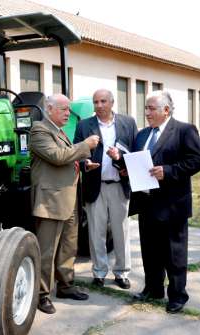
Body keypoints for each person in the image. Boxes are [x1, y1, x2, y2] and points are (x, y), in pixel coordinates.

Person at [129, 90, 200, 313]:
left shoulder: (183, 130)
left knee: (174, 253)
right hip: (147, 202)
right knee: (150, 251)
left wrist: (169, 171)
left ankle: (177, 295)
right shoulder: (142, 135)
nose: (147, 112)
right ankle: (153, 288)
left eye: (151, 108)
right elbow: (137, 162)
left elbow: (197, 161)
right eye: (146, 108)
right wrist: (121, 165)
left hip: (173, 204)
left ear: (166, 110)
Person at [29, 93, 100, 314]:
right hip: (51, 200)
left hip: (68, 198)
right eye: (63, 109)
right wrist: (85, 145)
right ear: (49, 109)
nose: (68, 114)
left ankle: (66, 285)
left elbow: (66, 159)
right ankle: (41, 295)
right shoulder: (39, 130)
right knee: (47, 250)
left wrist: (82, 163)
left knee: (69, 246)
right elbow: (58, 156)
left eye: (69, 110)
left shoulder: (59, 131)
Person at [73, 89, 137, 290]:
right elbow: (77, 153)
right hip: (95, 186)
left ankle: (122, 272)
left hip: (119, 185)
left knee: (121, 231)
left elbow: (135, 152)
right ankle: (99, 272)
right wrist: (85, 165)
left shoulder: (128, 123)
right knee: (96, 232)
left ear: (112, 102)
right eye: (95, 102)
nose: (99, 105)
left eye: (103, 101)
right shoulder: (84, 125)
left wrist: (123, 162)